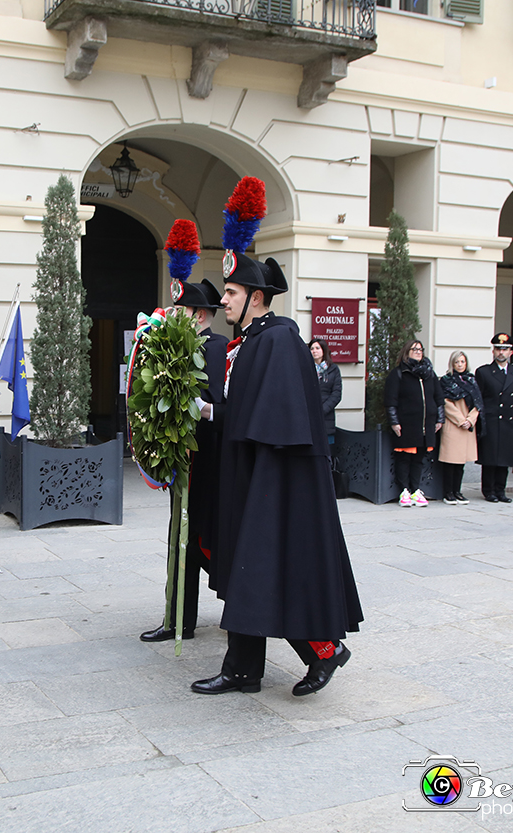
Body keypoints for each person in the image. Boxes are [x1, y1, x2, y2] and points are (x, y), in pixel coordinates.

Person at [192, 177, 362, 697]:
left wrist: (222, 414)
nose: (224, 302)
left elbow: (279, 419)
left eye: (232, 294)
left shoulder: (281, 338)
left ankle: (324, 651)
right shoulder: (246, 342)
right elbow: (239, 408)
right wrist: (206, 409)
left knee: (269, 568)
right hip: (245, 472)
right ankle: (243, 671)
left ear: (258, 298)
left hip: (274, 478)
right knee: (250, 572)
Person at [140, 277, 228, 643]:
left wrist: (202, 409)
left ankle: (201, 614)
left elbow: (223, 402)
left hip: (210, 458)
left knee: (201, 537)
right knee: (181, 537)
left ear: (200, 314)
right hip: (186, 458)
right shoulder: (178, 346)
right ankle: (179, 618)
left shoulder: (220, 346)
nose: (176, 315)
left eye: (181, 311)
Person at [385, 340, 444, 507]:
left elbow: (438, 398)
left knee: (419, 458)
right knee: (404, 458)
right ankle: (404, 490)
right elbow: (391, 401)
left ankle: (415, 490)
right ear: (406, 352)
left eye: (420, 349)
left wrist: (440, 418)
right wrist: (394, 422)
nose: (418, 352)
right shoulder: (399, 373)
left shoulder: (429, 374)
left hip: (426, 424)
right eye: (414, 349)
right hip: (406, 423)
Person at [475, 333, 513, 503]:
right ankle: (488, 490)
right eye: (498, 349)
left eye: (505, 349)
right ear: (493, 351)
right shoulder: (484, 372)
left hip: (509, 421)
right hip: (491, 419)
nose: (501, 352)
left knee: (505, 458)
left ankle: (500, 490)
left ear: (511, 352)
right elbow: (479, 399)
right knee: (490, 458)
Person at [437, 350, 482, 505]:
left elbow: (478, 403)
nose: (460, 365)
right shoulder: (446, 380)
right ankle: (448, 492)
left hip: (468, 426)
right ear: (452, 364)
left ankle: (458, 491)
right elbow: (445, 403)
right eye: (457, 362)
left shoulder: (471, 380)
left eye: (462, 361)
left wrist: (470, 420)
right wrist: (460, 420)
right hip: (454, 425)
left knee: (461, 463)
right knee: (450, 462)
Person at [309, 337, 342, 444]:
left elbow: (336, 394)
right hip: (309, 417)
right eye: (312, 348)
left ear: (323, 350)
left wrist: (321, 410)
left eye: (317, 348)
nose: (314, 351)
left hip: (326, 418)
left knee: (327, 452)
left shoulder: (333, 369)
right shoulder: (306, 369)